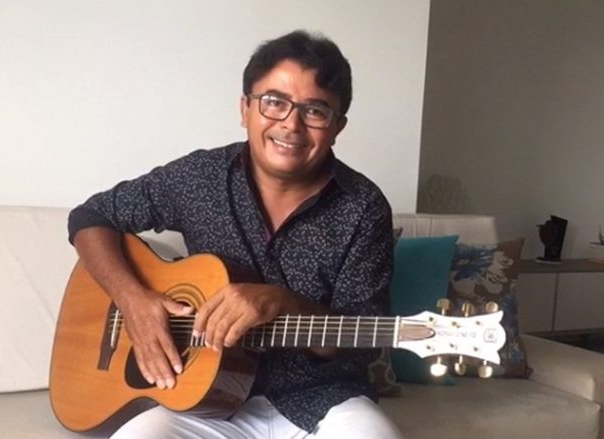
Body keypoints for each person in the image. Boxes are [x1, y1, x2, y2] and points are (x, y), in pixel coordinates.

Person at [68, 30, 403, 439]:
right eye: (274, 102)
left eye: (315, 110)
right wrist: (133, 301)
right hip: (201, 403)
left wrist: (285, 304)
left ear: (337, 127)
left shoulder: (364, 206)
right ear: (245, 109)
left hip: (324, 401)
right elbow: (91, 216)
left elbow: (362, 339)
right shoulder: (199, 177)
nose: (291, 124)